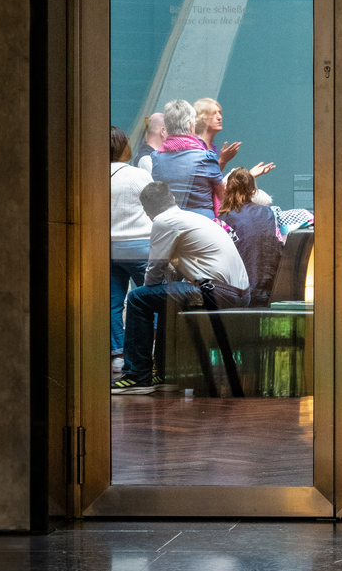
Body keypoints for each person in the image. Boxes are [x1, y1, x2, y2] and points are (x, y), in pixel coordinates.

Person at [111, 181, 250, 395]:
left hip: (215, 291)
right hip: (235, 292)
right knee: (164, 298)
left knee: (139, 298)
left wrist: (151, 286)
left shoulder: (164, 222)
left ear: (146, 211)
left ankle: (137, 376)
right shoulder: (192, 217)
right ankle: (164, 374)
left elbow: (154, 269)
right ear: (173, 199)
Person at [110, 126, 153, 368]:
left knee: (113, 304)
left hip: (108, 249)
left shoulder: (90, 176)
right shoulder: (138, 175)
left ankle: (117, 355)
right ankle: (150, 352)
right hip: (140, 247)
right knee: (151, 300)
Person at [218, 168, 282, 307]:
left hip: (242, 292)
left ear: (227, 189)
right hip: (270, 288)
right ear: (253, 190)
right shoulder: (268, 213)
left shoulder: (224, 219)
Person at [150, 99, 225, 216]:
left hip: (170, 222)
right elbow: (222, 194)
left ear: (167, 128)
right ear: (191, 126)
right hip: (203, 222)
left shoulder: (155, 158)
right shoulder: (205, 156)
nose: (219, 117)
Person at [193, 95, 276, 186]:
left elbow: (216, 184)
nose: (219, 117)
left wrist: (250, 175)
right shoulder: (195, 147)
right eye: (213, 114)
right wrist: (223, 160)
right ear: (202, 118)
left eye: (220, 113)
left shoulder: (212, 147)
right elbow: (202, 183)